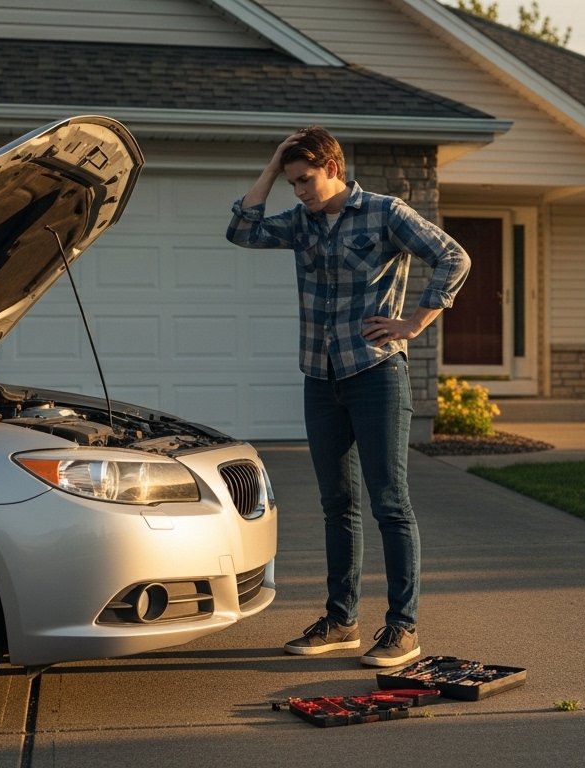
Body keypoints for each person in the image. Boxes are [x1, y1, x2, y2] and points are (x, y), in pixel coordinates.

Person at [226, 127, 470, 667]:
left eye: (305, 180)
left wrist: (414, 322)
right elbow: (241, 232)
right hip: (321, 376)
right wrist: (270, 168)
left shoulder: (386, 212)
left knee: (390, 503)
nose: (299, 192)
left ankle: (403, 628)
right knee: (337, 505)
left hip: (376, 374)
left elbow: (454, 257)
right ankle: (341, 621)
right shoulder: (301, 221)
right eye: (291, 183)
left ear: (333, 166)